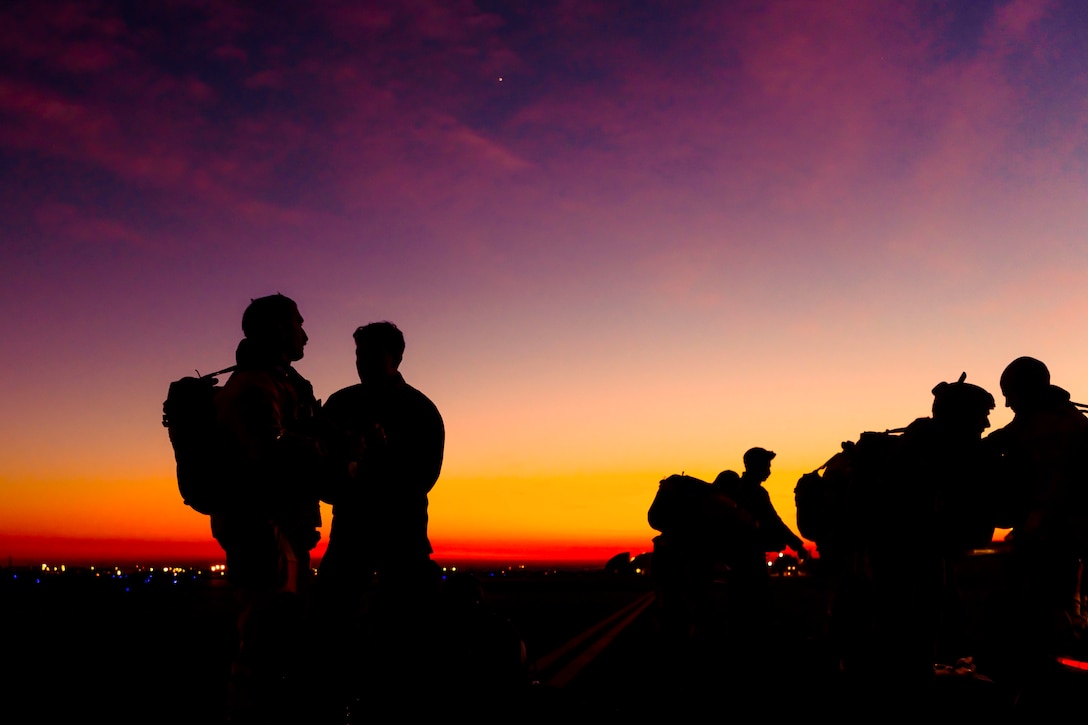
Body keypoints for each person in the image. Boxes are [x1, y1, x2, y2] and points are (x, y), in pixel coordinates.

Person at [313, 321, 445, 712]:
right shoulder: (341, 404)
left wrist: (365, 470)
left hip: (401, 536)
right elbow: (322, 471)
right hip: (352, 532)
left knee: (403, 631)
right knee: (329, 623)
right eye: (358, 354)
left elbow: (423, 477)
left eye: (370, 354)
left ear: (396, 357)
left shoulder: (421, 411)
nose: (362, 361)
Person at [211, 293, 324, 723]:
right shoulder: (256, 384)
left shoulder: (276, 383)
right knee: (264, 635)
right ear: (278, 329)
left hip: (280, 529)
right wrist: (329, 452)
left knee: (281, 633)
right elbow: (268, 449)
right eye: (298, 323)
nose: (305, 334)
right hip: (260, 529)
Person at [982, 357, 1088, 708]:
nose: (1008, 404)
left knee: (1049, 622)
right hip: (1054, 539)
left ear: (1027, 390)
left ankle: (1046, 694)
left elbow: (1053, 491)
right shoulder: (1042, 419)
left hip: (1055, 542)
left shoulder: (1054, 427)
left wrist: (1033, 530)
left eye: (1010, 395)